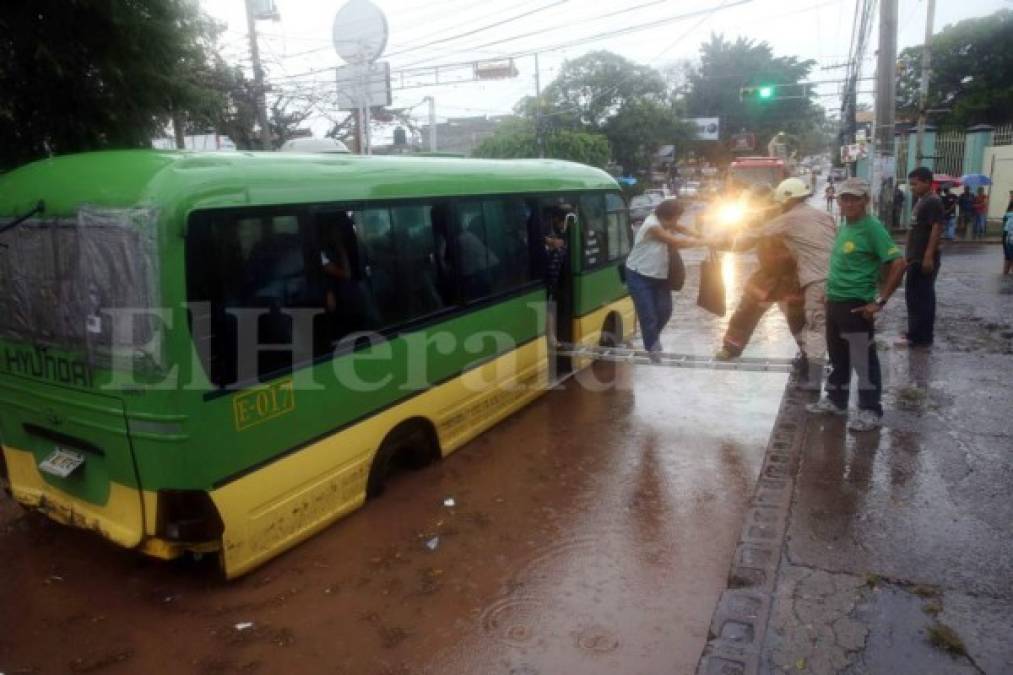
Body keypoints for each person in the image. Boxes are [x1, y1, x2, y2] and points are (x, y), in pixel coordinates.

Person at [710, 178, 838, 389]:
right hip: (767, 276)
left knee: (799, 322)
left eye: (758, 201)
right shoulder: (756, 218)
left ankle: (810, 360)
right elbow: (743, 237)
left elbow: (745, 240)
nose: (756, 205)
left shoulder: (785, 218)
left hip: (792, 278)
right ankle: (731, 348)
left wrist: (718, 242)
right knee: (745, 312)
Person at [807, 178, 907, 432]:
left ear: (865, 201)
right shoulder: (845, 226)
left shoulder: (872, 228)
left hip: (856, 306)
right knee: (839, 358)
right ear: (838, 201)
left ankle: (870, 411)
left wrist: (879, 301)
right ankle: (836, 401)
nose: (849, 203)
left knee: (864, 361)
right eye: (845, 198)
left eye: (855, 198)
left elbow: (898, 264)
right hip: (836, 302)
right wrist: (829, 293)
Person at [624, 198, 703, 358]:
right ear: (667, 216)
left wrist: (698, 234)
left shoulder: (665, 221)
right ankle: (652, 346)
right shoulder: (652, 225)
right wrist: (704, 242)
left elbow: (680, 228)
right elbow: (675, 241)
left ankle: (652, 338)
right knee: (648, 313)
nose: (676, 222)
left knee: (665, 311)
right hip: (639, 274)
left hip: (660, 275)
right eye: (675, 218)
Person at [902, 167, 944, 348]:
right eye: (911, 184)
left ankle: (922, 337)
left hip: (923, 259)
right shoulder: (922, 201)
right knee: (913, 296)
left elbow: (936, 228)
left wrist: (928, 256)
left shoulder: (933, 201)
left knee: (923, 298)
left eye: (915, 184)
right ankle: (914, 333)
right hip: (914, 258)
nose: (912, 187)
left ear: (927, 182)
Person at [1004, 208, 1013, 275]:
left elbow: (1006, 230)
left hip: (1008, 241)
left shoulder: (1009, 217)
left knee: (1008, 259)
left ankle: (1005, 274)